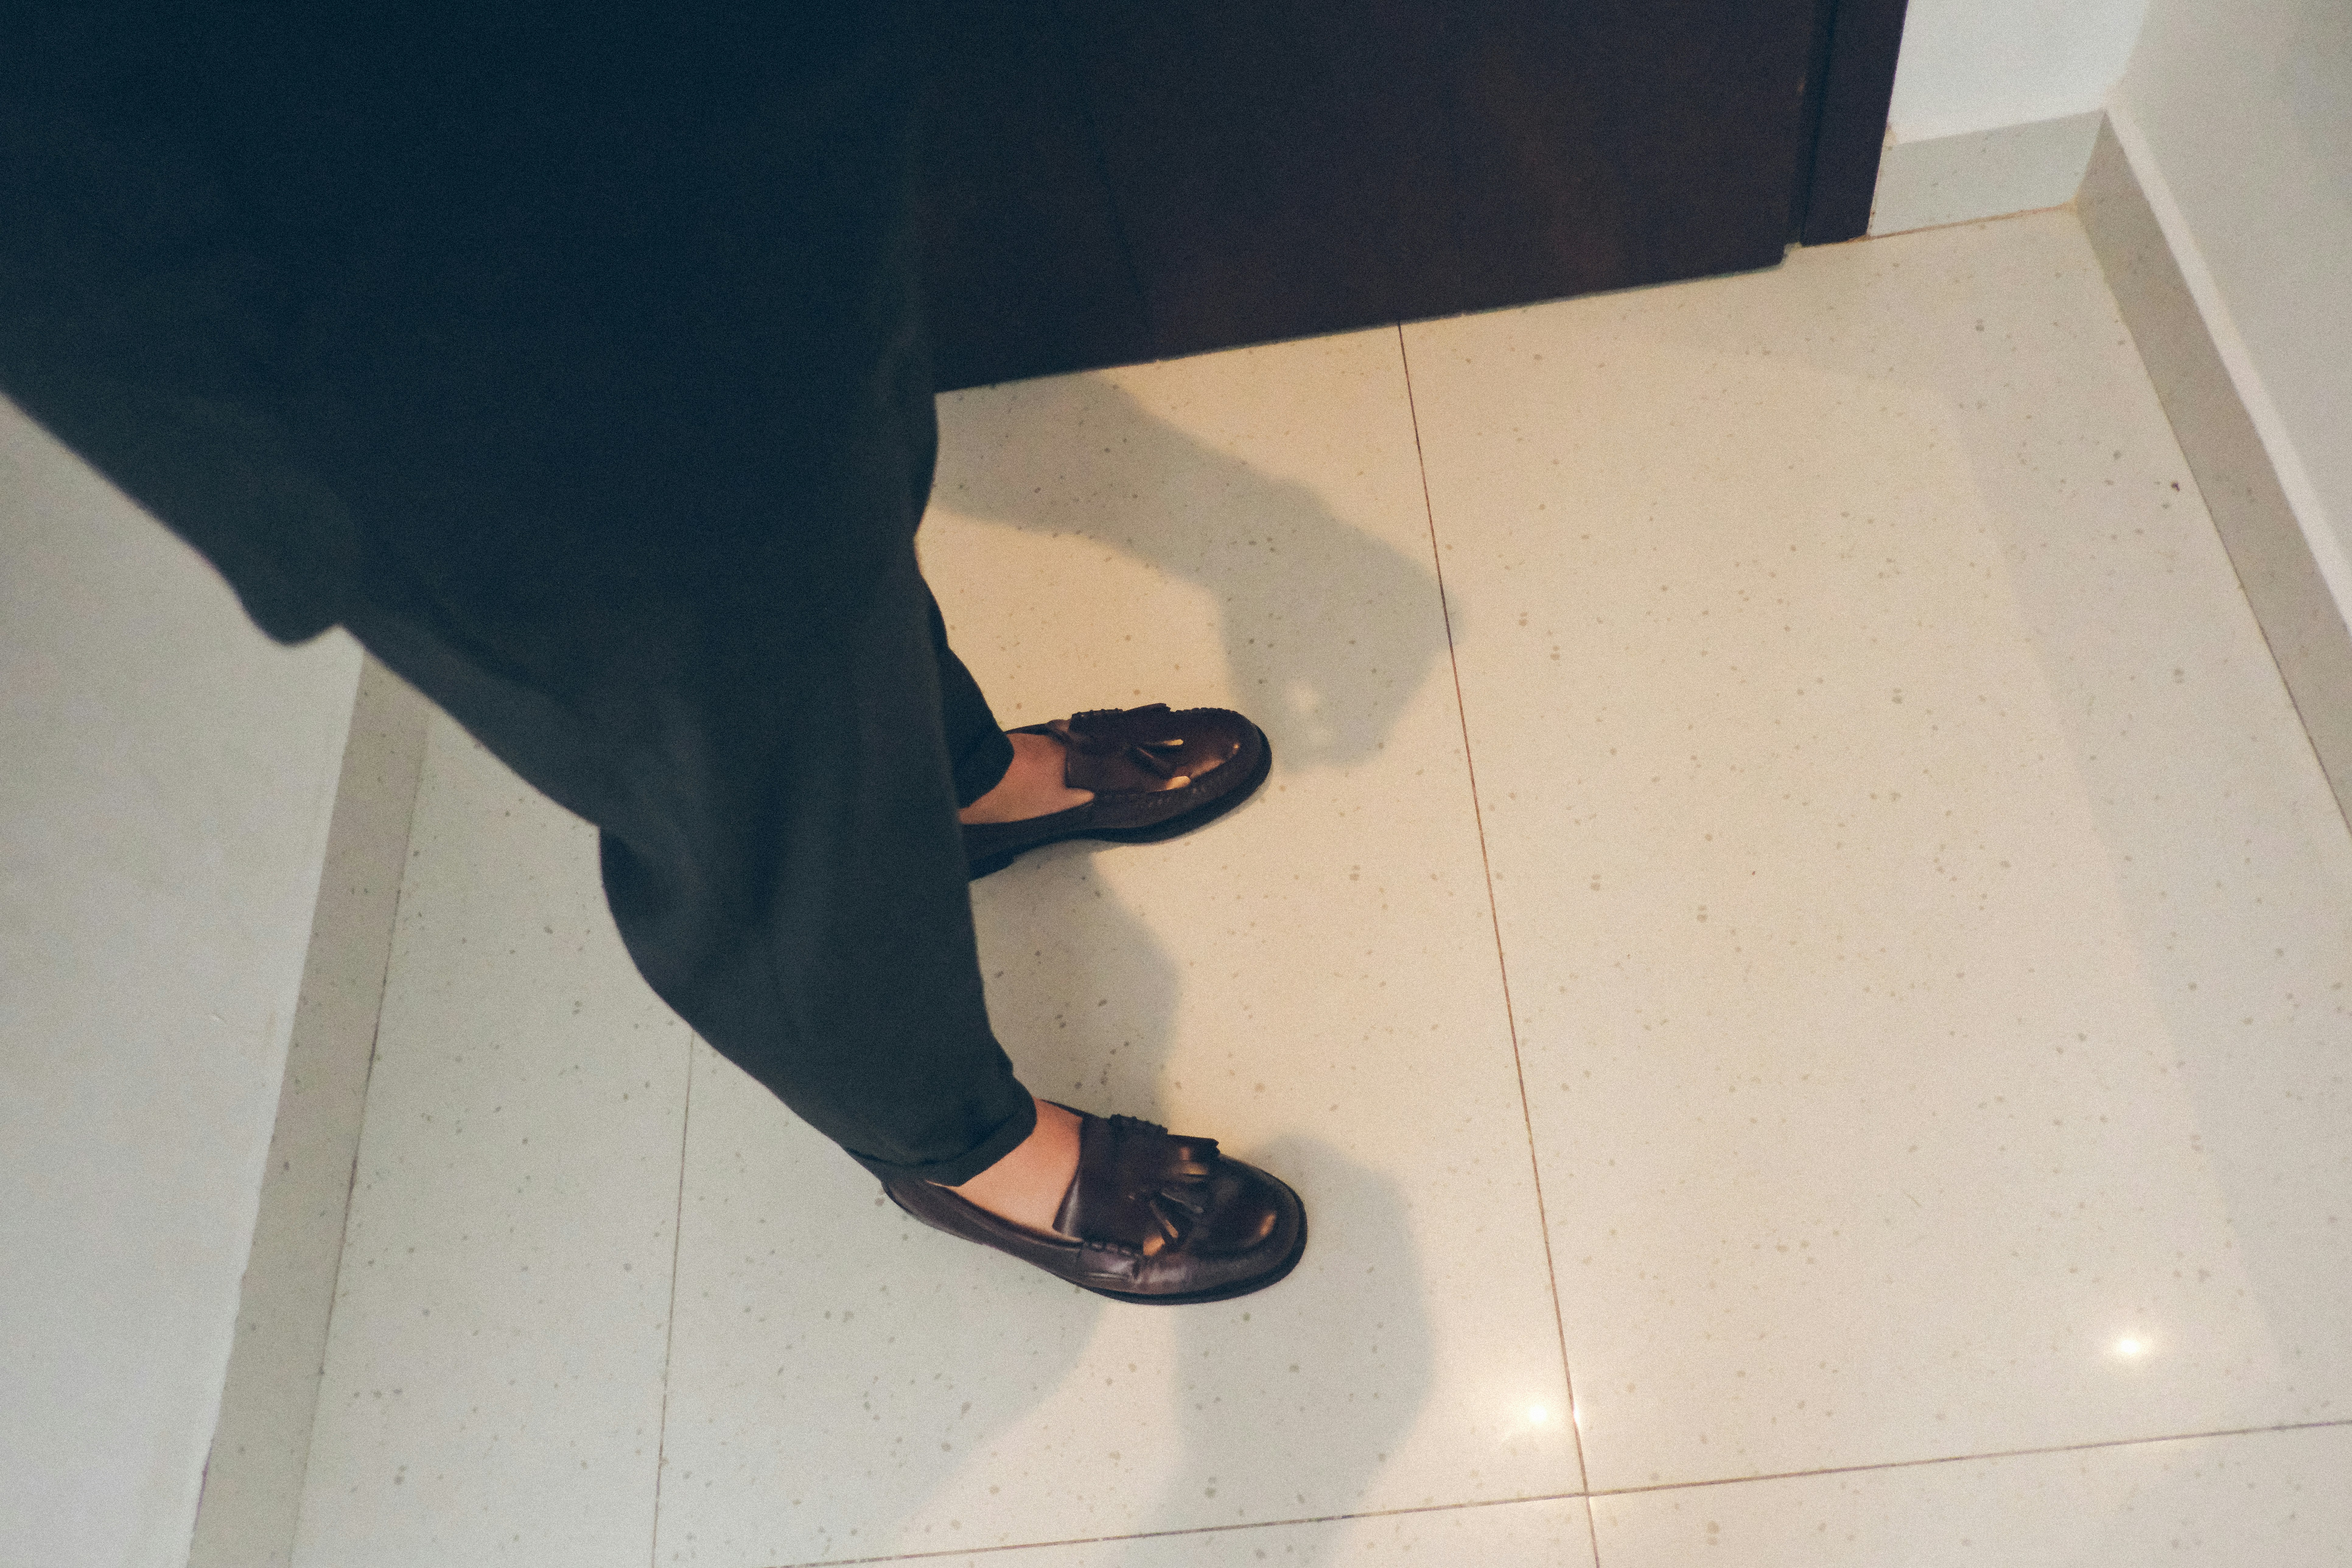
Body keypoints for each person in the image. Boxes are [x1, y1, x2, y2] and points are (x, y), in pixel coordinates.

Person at [0, 5, 1305, 1303]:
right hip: (357, 258)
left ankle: (952, 777)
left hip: (686, 97)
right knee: (741, 752)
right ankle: (952, 1141)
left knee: (846, 483)